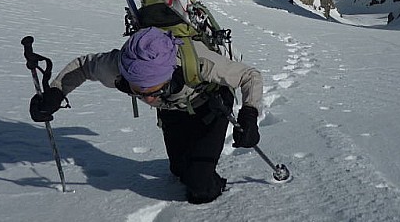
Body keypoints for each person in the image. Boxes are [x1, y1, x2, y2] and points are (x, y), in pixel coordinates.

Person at [29, 26, 263, 204]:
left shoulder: (199, 61)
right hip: (172, 111)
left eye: (156, 91)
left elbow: (249, 75)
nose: (149, 99)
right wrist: (56, 92)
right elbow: (83, 66)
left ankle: (212, 180)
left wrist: (250, 112)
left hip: (209, 106)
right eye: (138, 92)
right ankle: (194, 162)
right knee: (178, 171)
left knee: (199, 187)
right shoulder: (120, 67)